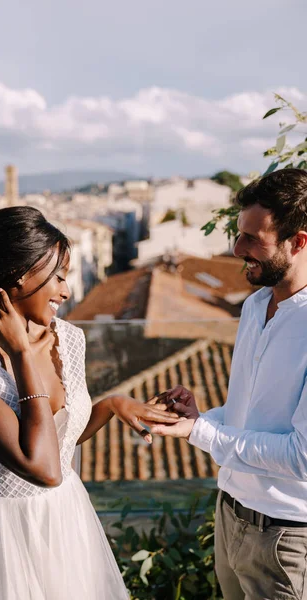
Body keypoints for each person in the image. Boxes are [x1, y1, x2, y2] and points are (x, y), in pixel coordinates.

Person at [0, 206, 177, 599]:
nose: (66, 292)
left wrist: (112, 405)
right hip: (7, 540)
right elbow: (44, 468)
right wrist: (21, 354)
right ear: (18, 277)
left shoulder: (68, 340)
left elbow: (59, 442)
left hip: (69, 522)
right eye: (58, 278)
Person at [147, 168, 307, 600]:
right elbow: (252, 418)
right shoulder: (255, 306)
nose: (237, 249)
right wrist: (200, 417)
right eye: (239, 234)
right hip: (230, 516)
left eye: (253, 238)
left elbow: (302, 456)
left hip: (285, 540)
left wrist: (199, 432)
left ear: (299, 242)